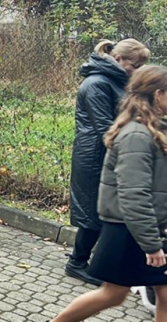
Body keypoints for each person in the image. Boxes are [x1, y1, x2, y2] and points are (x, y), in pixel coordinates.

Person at [52, 65, 167, 322]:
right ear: (158, 94)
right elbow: (133, 195)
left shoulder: (154, 131)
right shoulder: (137, 135)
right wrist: (151, 244)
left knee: (157, 295)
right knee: (112, 295)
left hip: (146, 228)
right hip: (129, 231)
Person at [67, 38, 151, 285]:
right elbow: (105, 126)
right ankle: (77, 263)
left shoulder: (117, 81)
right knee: (93, 211)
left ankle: (96, 261)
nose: (138, 71)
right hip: (94, 156)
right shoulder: (96, 84)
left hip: (109, 153)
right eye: (136, 66)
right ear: (118, 59)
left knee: (106, 209)